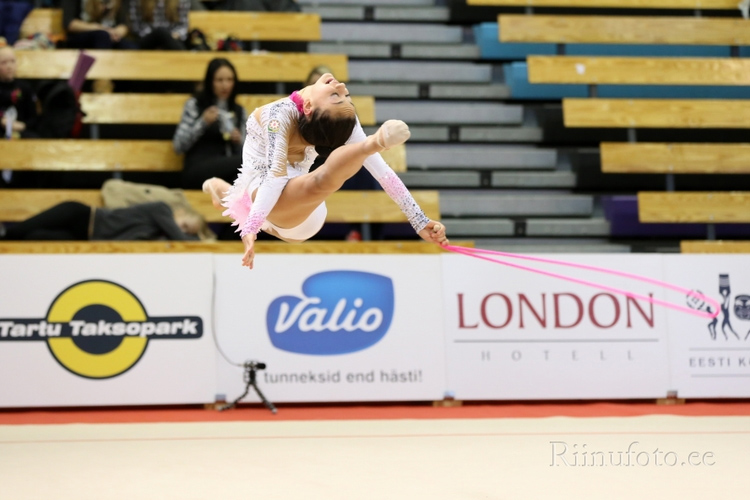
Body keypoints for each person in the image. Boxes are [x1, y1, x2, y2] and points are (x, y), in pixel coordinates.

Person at [202, 72, 449, 269]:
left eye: (338, 95)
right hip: (266, 191)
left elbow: (383, 173)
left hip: (302, 214)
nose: (341, 86)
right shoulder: (280, 116)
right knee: (309, 184)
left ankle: (371, 144)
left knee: (321, 180)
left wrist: (419, 221)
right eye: (343, 94)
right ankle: (225, 191)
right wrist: (250, 228)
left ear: (308, 107)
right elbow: (274, 178)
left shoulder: (337, 118)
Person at [173, 58, 247, 189]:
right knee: (250, 162)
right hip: (198, 168)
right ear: (210, 82)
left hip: (226, 169)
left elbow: (245, 150)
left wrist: (238, 140)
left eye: (230, 80)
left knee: (243, 180)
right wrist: (202, 122)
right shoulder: (195, 105)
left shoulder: (239, 110)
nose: (225, 85)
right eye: (219, 80)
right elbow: (178, 146)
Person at [0, 201, 202, 241]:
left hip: (84, 238)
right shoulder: (162, 209)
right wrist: (199, 241)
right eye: (184, 225)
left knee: (35, 238)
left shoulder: (157, 236)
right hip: (81, 215)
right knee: (15, 233)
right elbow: (181, 239)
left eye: (188, 231)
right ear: (180, 212)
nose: (181, 230)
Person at [61, 0, 137, 49]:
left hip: (112, 36)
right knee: (102, 36)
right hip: (82, 35)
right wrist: (100, 28)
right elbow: (69, 23)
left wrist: (116, 33)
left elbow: (125, 24)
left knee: (131, 47)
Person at [0, 46, 38, 139]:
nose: (9, 66)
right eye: (3, 63)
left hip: (21, 129)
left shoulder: (25, 87)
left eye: (12, 61)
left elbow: (33, 116)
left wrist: (23, 125)